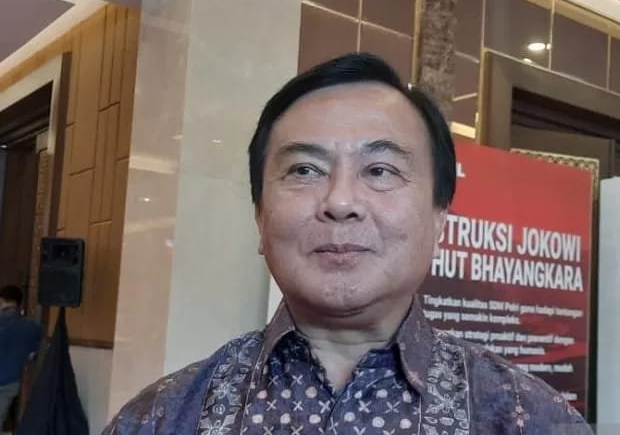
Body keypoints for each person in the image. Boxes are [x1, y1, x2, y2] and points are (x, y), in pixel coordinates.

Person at [104, 53, 593, 434]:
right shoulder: (160, 417)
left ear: (439, 218)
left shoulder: (531, 419)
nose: (340, 201)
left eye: (380, 170)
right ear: (259, 216)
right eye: (305, 170)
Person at [0, 285, 42, 427]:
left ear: (1, 301)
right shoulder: (32, 328)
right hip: (10, 384)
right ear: (20, 304)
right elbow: (33, 355)